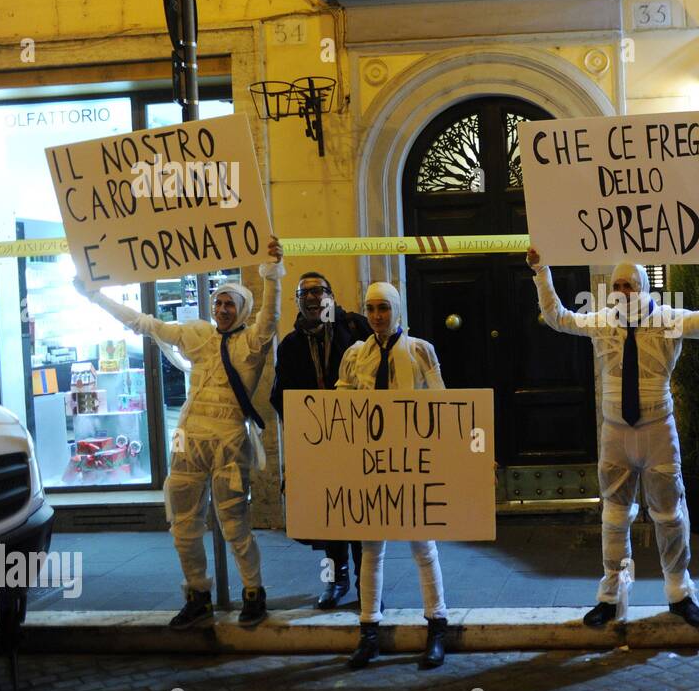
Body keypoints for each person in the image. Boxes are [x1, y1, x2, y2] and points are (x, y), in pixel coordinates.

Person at [75, 238, 285, 629]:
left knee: (235, 523)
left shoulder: (252, 343)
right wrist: (96, 297)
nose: (222, 309)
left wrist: (272, 272)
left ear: (242, 310)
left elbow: (271, 316)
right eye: (219, 302)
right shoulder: (197, 335)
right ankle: (197, 594)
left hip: (227, 442)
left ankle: (253, 593)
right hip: (187, 439)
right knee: (184, 524)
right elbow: (143, 323)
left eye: (230, 304)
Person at [527, 243, 699, 630]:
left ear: (643, 286)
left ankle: (679, 592)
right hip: (615, 432)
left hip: (657, 428)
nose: (623, 290)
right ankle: (611, 596)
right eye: (618, 284)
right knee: (614, 516)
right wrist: (542, 272)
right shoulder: (603, 321)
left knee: (670, 514)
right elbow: (557, 317)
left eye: (630, 284)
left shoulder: (667, 319)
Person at [336, 281, 450, 669]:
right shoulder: (354, 355)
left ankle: (437, 624)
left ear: (396, 309)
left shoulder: (420, 350)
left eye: (383, 308)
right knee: (371, 548)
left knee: (423, 546)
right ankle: (369, 630)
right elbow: (338, 408)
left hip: (412, 460)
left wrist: (468, 454)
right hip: (371, 461)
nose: (376, 316)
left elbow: (443, 403)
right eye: (370, 309)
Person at [269, 272, 372, 609]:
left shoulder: (355, 328)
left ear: (332, 295)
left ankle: (367, 584)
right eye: (305, 293)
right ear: (297, 301)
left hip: (357, 442)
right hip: (317, 445)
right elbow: (280, 396)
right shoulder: (291, 344)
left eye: (319, 291)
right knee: (327, 522)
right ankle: (333, 582)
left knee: (361, 519)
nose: (312, 298)